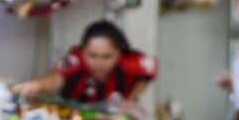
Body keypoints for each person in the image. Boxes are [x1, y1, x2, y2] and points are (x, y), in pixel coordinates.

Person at [14, 20, 158, 105]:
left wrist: (131, 100)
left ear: (119, 54)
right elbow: (56, 78)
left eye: (106, 57)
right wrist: (38, 85)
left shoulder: (130, 63)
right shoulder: (76, 59)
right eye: (92, 56)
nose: (98, 63)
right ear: (83, 52)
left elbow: (150, 69)